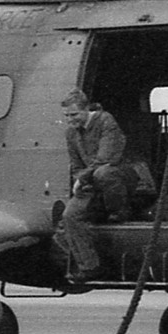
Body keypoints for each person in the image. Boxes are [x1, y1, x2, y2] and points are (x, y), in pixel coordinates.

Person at [57, 89, 132, 284]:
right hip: (91, 180)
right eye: (67, 116)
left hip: (119, 176)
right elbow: (76, 165)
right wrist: (81, 182)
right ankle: (90, 266)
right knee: (69, 215)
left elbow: (106, 159)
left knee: (104, 173)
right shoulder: (71, 133)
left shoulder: (106, 122)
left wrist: (82, 180)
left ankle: (119, 210)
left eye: (74, 115)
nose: (70, 120)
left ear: (86, 110)